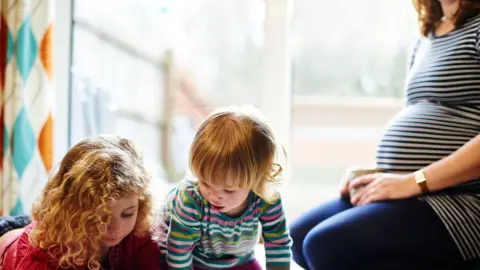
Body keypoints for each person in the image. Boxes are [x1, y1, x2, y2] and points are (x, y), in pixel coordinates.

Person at [290, 0, 480, 269]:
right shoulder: (428, 36)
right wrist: (379, 172)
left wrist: (415, 181)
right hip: (417, 190)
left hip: (460, 201)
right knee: (296, 238)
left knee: (328, 243)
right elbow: (425, 122)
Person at [153, 106, 292, 270]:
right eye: (205, 183)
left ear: (256, 179)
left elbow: (278, 242)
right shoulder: (189, 198)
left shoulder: (266, 197)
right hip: (190, 258)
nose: (214, 196)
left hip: (240, 259)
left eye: (229, 190)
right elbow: (179, 251)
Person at [0, 136, 163, 270]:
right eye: (102, 217)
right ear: (73, 209)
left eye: (127, 214)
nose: (116, 228)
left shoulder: (138, 232)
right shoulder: (41, 249)